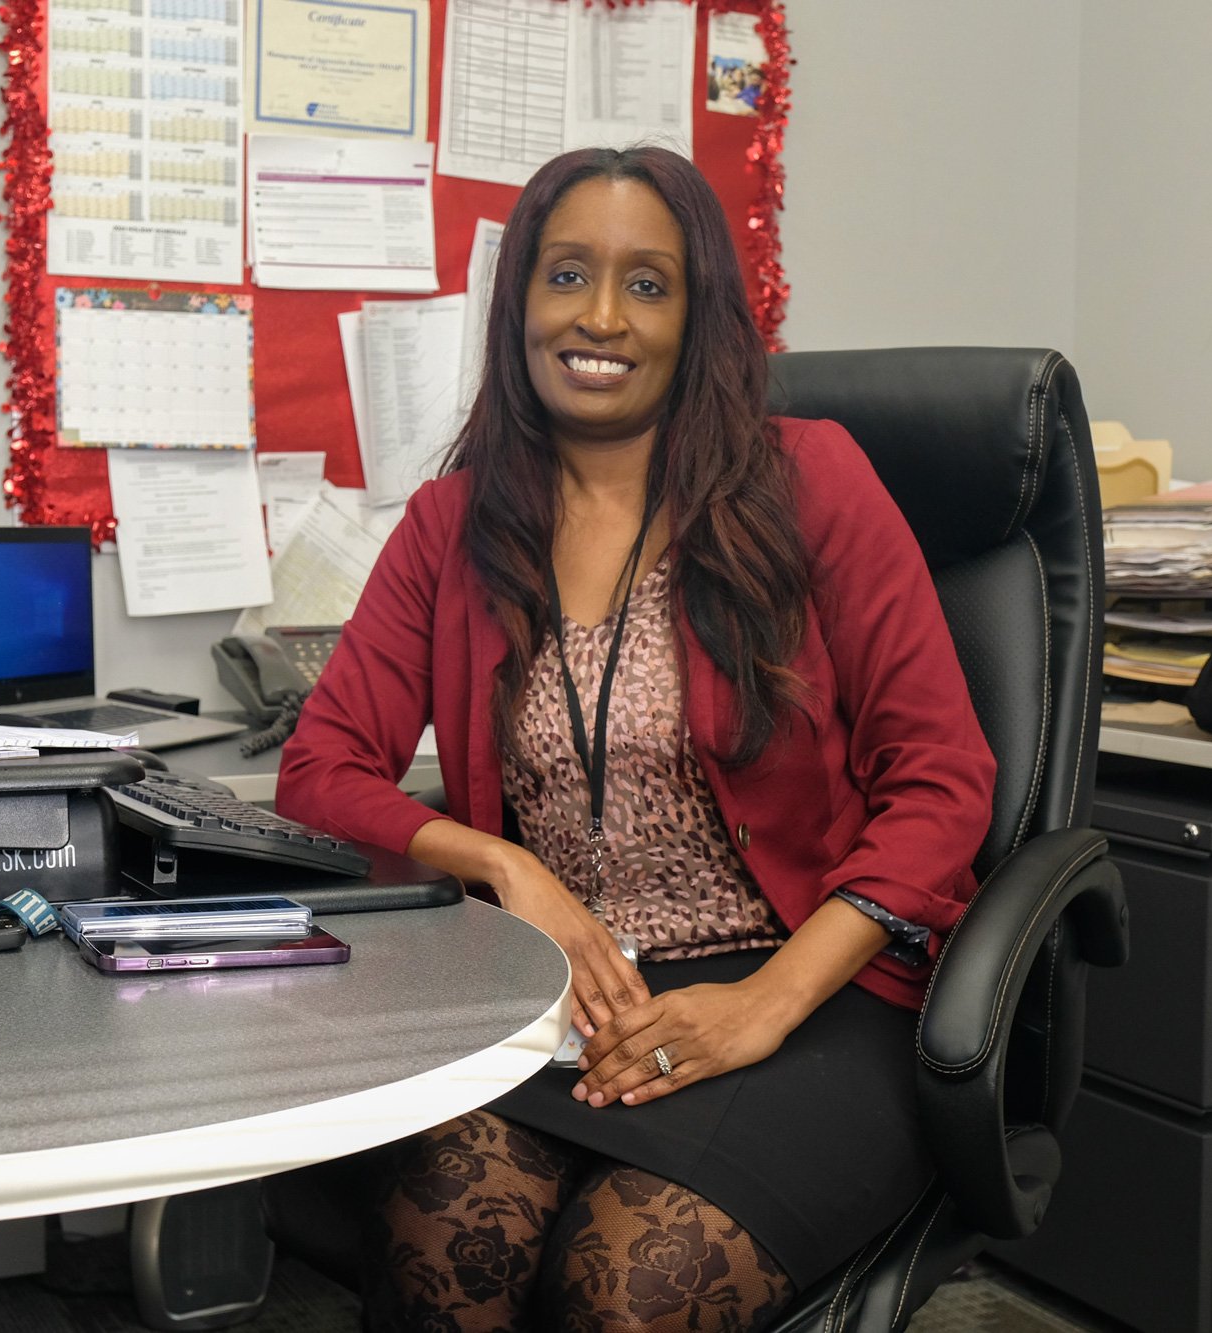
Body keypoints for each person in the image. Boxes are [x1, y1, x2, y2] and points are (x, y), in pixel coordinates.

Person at [276, 147, 996, 1332]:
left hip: (805, 994)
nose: (599, 316)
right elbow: (319, 773)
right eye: (567, 275)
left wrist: (764, 1000)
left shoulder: (808, 480)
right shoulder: (452, 525)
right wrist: (503, 865)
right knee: (443, 1247)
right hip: (554, 999)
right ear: (519, 305)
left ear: (695, 312)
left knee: (625, 1288)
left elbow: (942, 784)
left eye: (645, 283)